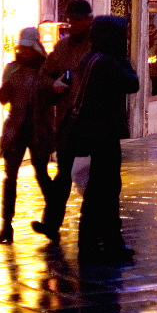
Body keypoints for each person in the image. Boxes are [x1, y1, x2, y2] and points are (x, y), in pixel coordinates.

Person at [58, 15, 139, 262]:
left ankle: (100, 241)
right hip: (101, 132)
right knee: (103, 189)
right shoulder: (105, 62)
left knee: (102, 188)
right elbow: (132, 83)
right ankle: (101, 243)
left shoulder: (90, 58)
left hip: (96, 131)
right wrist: (124, 59)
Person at [32, 0, 93, 241]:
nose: (74, 25)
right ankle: (51, 223)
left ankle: (92, 227)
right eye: (71, 21)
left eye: (78, 20)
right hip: (67, 119)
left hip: (91, 120)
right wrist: (53, 84)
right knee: (63, 173)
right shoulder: (64, 47)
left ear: (88, 20)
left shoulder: (97, 47)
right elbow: (44, 74)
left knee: (92, 177)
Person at [0, 28, 54, 244]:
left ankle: (52, 221)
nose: (26, 52)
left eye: (30, 48)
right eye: (24, 48)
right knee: (10, 179)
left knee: (42, 175)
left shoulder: (46, 70)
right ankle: (6, 225)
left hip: (38, 130)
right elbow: (5, 99)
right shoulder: (13, 69)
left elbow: (52, 97)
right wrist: (5, 90)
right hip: (16, 130)